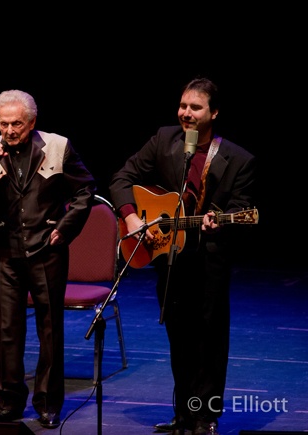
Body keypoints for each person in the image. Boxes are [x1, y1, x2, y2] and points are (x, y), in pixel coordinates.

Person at [109, 78, 256, 434]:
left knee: (209, 339)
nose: (186, 113)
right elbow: (122, 178)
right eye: (183, 106)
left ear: (214, 113)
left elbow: (241, 208)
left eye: (195, 107)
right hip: (171, 258)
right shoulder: (165, 139)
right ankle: (185, 413)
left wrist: (218, 222)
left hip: (210, 260)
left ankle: (206, 416)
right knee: (179, 338)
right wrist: (132, 217)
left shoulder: (239, 159)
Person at [0, 90, 96, 429]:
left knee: (49, 330)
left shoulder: (57, 146)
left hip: (47, 252)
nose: (9, 130)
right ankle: (9, 401)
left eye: (17, 124)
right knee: (7, 330)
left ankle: (48, 403)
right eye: (4, 124)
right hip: (5, 253)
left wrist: (65, 229)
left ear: (32, 122)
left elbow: (85, 191)